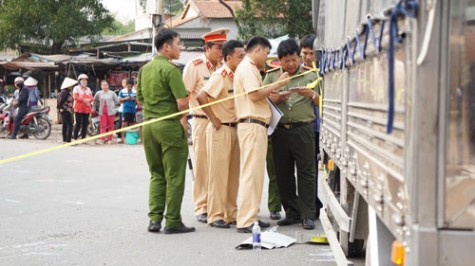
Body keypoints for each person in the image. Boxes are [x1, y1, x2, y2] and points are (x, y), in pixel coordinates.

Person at [136, 28, 194, 234]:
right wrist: (183, 111)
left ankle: (154, 219)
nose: (181, 48)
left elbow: (140, 99)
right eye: (179, 44)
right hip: (168, 126)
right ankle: (172, 221)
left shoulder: (144, 70)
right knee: (175, 175)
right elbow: (181, 103)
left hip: (149, 125)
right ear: (167, 47)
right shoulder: (171, 70)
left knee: (156, 174)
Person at [233, 36, 289, 233]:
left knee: (255, 174)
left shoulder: (249, 68)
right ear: (258, 50)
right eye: (266, 53)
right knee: (251, 173)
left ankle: (251, 215)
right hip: (252, 124)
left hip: (256, 125)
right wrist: (278, 84)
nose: (266, 57)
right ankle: (246, 220)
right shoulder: (248, 67)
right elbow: (255, 95)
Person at [264, 39, 321, 230]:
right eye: (287, 61)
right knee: (283, 172)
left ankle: (308, 214)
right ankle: (292, 212)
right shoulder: (272, 77)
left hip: (304, 129)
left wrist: (311, 95)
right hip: (280, 130)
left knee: (306, 172)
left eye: (295, 59)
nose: (291, 64)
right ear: (279, 61)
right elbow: (261, 98)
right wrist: (274, 98)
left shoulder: (311, 75)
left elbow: (323, 102)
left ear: (299, 58)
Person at [196, 40, 246, 229]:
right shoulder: (221, 76)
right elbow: (201, 96)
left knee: (233, 174)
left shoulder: (237, 76)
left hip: (235, 128)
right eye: (240, 56)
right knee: (218, 174)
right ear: (228, 58)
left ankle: (231, 212)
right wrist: (213, 118)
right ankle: (215, 214)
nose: (243, 59)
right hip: (221, 129)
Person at [183, 28, 229, 223]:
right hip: (201, 120)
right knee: (202, 165)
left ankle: (218, 205)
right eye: (218, 47)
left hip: (220, 122)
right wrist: (183, 120)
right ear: (207, 48)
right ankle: (202, 205)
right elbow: (184, 95)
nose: (221, 51)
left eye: (223, 47)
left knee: (218, 166)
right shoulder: (195, 66)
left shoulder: (225, 67)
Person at [301, 34, 323, 218]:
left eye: (311, 54)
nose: (308, 58)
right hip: (306, 127)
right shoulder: (298, 72)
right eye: (305, 53)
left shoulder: (322, 73)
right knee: (307, 169)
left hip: (319, 128)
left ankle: (313, 203)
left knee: (312, 170)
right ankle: (311, 203)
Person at [73, 74, 94, 141]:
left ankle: (83, 138)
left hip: (87, 109)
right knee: (78, 124)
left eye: (86, 80)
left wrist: (89, 101)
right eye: (83, 80)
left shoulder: (88, 89)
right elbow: (75, 97)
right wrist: (84, 100)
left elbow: (91, 97)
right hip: (78, 109)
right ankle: (75, 138)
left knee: (85, 124)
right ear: (80, 81)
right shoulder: (76, 88)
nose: (85, 81)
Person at [57, 77, 77, 143]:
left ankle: (65, 139)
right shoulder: (65, 92)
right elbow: (61, 101)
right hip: (66, 110)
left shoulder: (65, 92)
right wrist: (63, 108)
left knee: (65, 125)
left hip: (64, 110)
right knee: (69, 125)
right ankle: (68, 140)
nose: (72, 86)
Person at [116, 78, 128, 143]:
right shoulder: (121, 91)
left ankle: (128, 137)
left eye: (126, 82)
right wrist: (125, 99)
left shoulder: (132, 90)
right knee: (121, 123)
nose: (125, 84)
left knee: (130, 123)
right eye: (124, 82)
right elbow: (119, 100)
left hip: (131, 110)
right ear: (122, 84)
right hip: (122, 110)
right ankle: (119, 137)